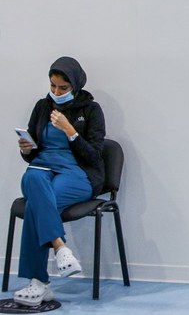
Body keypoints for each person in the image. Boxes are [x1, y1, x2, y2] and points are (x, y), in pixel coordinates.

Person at [14, 57, 106, 307]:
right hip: (42, 168)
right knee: (32, 176)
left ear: (75, 85)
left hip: (77, 173)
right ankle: (60, 247)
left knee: (36, 205)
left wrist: (70, 131)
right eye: (53, 86)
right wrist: (26, 149)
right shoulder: (42, 107)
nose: (56, 92)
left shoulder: (90, 110)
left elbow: (94, 154)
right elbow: (33, 152)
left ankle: (38, 283)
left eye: (62, 88)